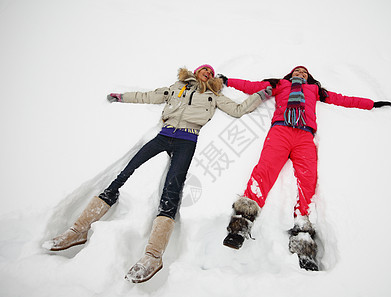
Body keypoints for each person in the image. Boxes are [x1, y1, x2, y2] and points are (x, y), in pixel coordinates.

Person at [43, 64, 273, 283]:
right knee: (126, 172)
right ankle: (77, 230)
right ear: (195, 72)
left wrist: (262, 94)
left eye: (210, 72)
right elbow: (149, 96)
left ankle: (153, 255)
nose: (206, 72)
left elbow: (238, 110)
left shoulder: (214, 96)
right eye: (203, 69)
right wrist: (121, 97)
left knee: (172, 190)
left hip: (187, 140)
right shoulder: (177, 87)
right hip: (164, 135)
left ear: (212, 78)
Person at [218, 66, 391, 271]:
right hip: (281, 131)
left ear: (308, 76)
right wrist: (228, 80)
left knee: (307, 182)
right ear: (290, 74)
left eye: (304, 72)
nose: (300, 73)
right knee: (264, 172)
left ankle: (304, 242)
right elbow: (251, 86)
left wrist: (371, 104)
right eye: (297, 71)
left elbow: (343, 99)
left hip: (304, 136)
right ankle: (240, 226)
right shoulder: (280, 84)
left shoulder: (316, 91)